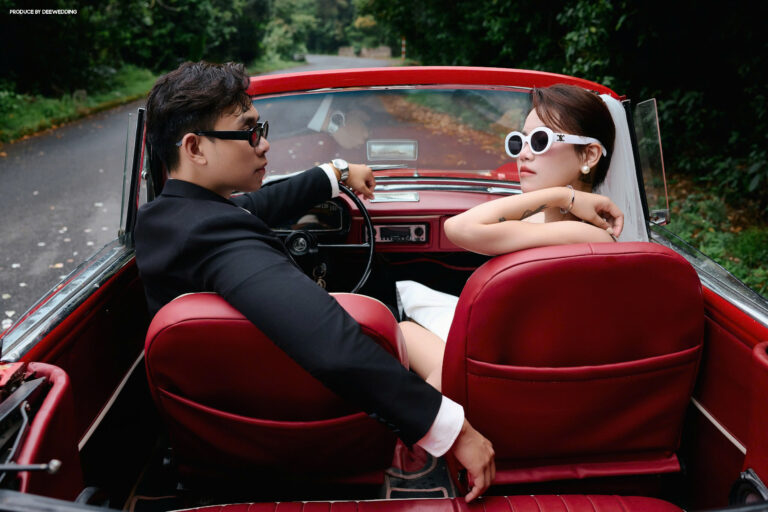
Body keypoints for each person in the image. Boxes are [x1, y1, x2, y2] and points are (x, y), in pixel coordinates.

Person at [133, 61, 495, 501]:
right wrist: (452, 430)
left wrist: (335, 174)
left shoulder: (162, 219)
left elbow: (253, 207)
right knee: (413, 334)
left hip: (224, 439)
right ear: (195, 148)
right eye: (249, 131)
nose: (264, 143)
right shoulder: (218, 234)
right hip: (312, 430)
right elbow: (332, 346)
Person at [398, 84, 649, 390]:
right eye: (519, 141)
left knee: (404, 336)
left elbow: (460, 229)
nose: (523, 154)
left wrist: (561, 196)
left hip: (520, 371)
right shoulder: (542, 221)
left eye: (541, 141)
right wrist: (561, 197)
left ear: (589, 154)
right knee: (404, 329)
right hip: (506, 351)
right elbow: (458, 228)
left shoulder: (588, 236)